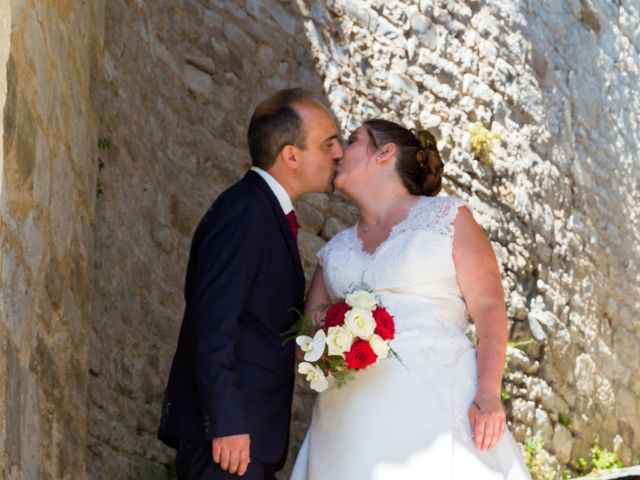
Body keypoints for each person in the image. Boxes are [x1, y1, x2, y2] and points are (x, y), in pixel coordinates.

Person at [290, 119, 531, 479]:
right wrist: (337, 342)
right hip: (348, 417)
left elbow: (489, 306)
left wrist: (488, 393)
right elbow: (306, 338)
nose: (338, 151)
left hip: (434, 399)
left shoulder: (448, 217)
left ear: (385, 153)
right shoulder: (335, 251)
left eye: (352, 141)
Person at [157, 88, 343, 480]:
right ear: (291, 155)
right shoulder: (245, 212)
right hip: (227, 440)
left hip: (246, 438)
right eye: (328, 143)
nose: (339, 152)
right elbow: (212, 322)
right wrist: (225, 421)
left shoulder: (262, 210)